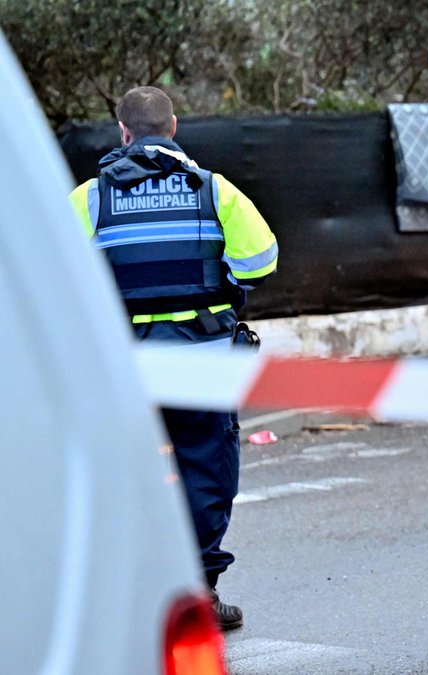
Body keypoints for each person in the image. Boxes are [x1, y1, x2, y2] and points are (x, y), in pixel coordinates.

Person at [69, 86, 279, 627]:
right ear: (174, 126)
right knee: (205, 471)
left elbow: (59, 273)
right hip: (201, 360)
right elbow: (261, 260)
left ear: (123, 132)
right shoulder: (213, 189)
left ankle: (118, 594)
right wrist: (221, 278)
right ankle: (200, 594)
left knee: (117, 474)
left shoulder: (91, 198)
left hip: (121, 370)